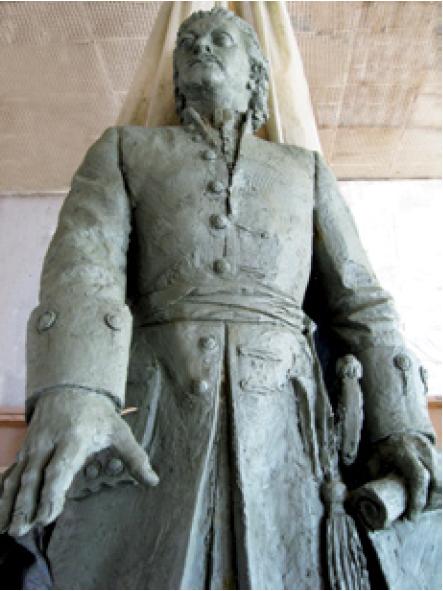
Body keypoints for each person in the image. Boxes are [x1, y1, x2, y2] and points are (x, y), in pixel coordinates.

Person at [0, 8, 440, 590]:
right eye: (189, 41)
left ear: (256, 73)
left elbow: (362, 304)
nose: (201, 47)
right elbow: (84, 264)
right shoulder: (125, 150)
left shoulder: (305, 172)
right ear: (175, 76)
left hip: (286, 433)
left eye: (220, 40)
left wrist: (401, 425)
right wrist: (77, 388)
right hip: (155, 414)